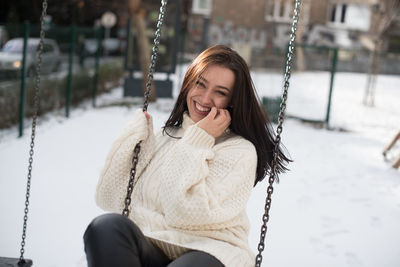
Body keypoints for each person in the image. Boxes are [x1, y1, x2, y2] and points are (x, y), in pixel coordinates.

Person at [83, 45, 291, 267]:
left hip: (210, 251)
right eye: (200, 84)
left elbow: (185, 212)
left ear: (232, 100)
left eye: (220, 92)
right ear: (189, 82)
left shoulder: (239, 150)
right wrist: (131, 137)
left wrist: (200, 138)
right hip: (151, 246)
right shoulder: (166, 137)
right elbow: (108, 198)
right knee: (105, 227)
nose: (205, 98)